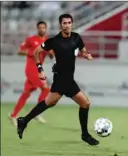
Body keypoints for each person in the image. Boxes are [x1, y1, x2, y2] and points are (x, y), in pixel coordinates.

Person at [16, 14, 99, 146]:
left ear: (72, 23)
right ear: (61, 24)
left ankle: (24, 120)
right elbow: (37, 52)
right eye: (64, 23)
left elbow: (83, 50)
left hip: (69, 79)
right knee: (84, 104)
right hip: (60, 79)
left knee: (53, 103)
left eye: (69, 23)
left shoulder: (77, 37)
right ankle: (85, 134)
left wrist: (86, 54)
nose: (67, 25)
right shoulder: (54, 40)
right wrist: (40, 69)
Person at [9, 21, 52, 126]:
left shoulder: (48, 41)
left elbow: (51, 55)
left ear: (46, 29)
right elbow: (20, 51)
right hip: (31, 68)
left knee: (26, 94)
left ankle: (13, 115)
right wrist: (31, 52)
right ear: (37, 29)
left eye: (43, 28)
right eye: (40, 28)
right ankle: (36, 112)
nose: (42, 29)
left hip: (39, 68)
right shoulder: (31, 39)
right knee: (46, 89)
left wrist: (51, 53)